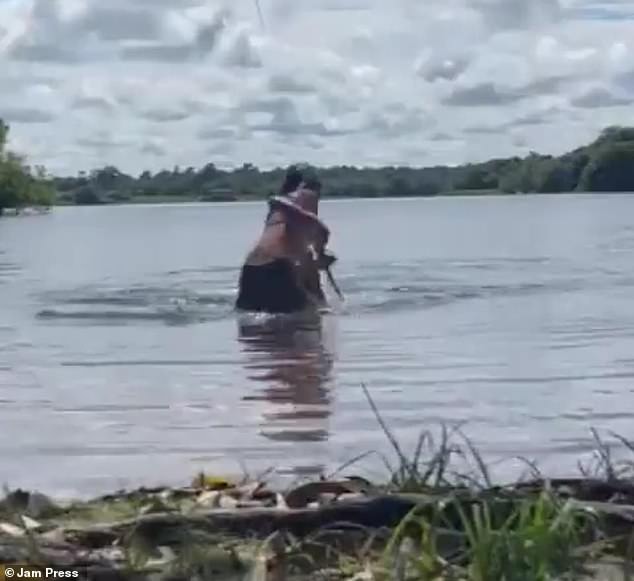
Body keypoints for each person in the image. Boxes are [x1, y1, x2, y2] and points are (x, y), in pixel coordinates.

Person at [235, 167, 336, 314]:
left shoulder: (277, 211)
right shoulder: (305, 197)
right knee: (309, 323)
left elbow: (301, 253)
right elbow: (312, 233)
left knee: (251, 324)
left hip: (251, 267)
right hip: (276, 267)